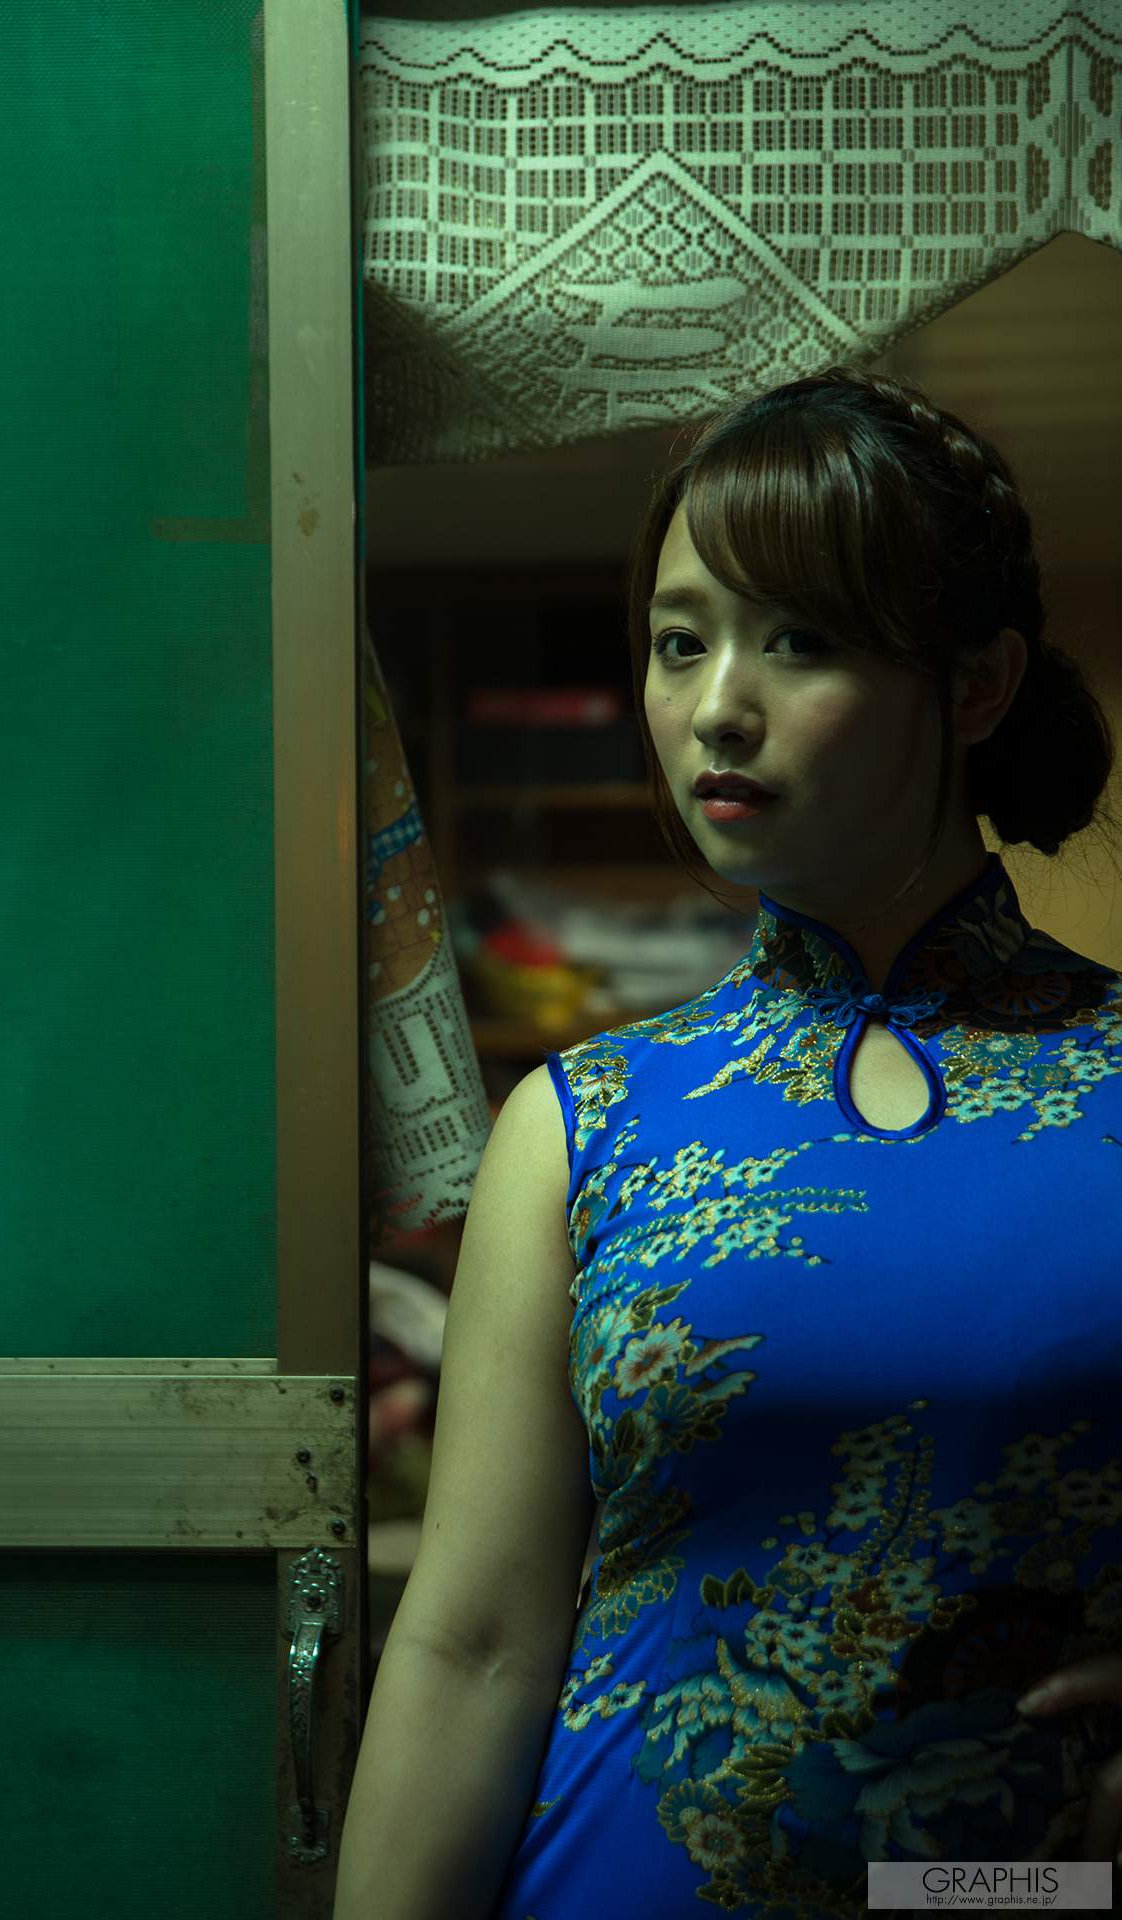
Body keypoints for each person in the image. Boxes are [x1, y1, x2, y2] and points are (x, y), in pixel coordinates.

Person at [332, 364, 1122, 1919]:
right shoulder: (582, 1124)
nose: (714, 709)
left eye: (799, 641)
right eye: (679, 642)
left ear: (973, 685)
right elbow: (471, 1643)